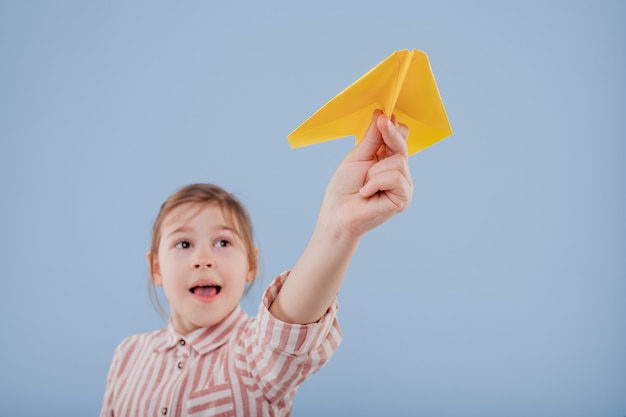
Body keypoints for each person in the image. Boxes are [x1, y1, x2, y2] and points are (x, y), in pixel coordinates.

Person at [100, 110, 413, 417]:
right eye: (183, 244)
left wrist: (339, 227)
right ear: (156, 268)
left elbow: (287, 328)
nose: (204, 260)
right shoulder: (128, 355)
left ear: (250, 263)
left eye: (223, 242)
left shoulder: (254, 358)